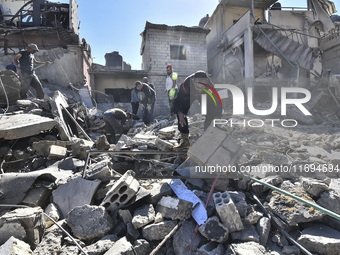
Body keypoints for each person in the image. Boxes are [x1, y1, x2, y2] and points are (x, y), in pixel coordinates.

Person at [172, 70, 222, 150]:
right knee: (181, 112)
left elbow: (218, 102)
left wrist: (217, 116)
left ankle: (207, 139)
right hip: (189, 95)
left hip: (204, 95)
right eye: (197, 86)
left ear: (206, 82)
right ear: (193, 81)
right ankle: (185, 141)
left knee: (211, 112)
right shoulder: (185, 85)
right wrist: (179, 113)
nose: (198, 88)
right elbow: (176, 101)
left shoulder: (210, 86)